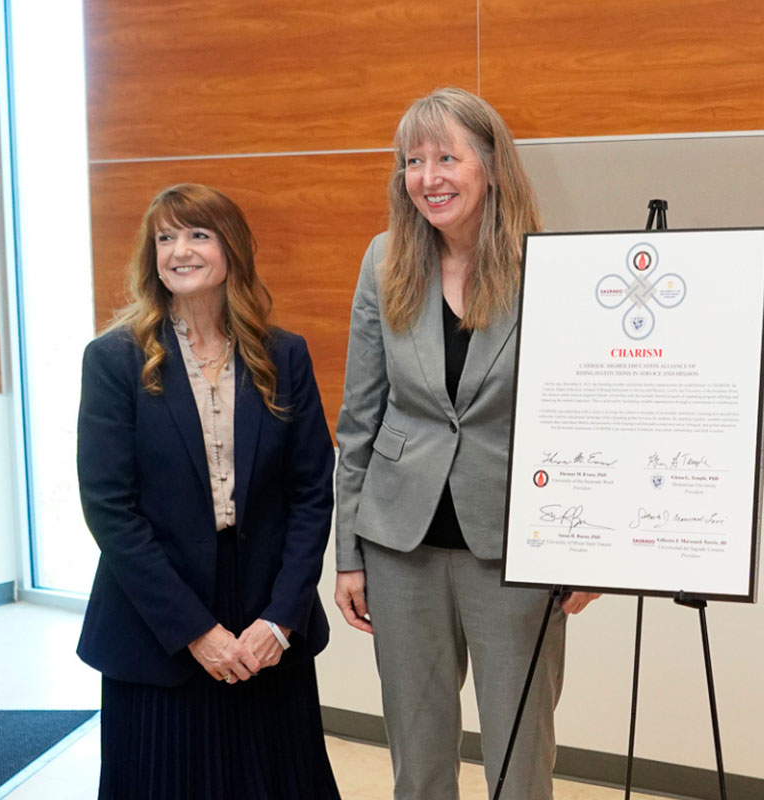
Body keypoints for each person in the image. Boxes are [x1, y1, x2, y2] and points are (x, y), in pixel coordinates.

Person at [331, 87, 599, 800]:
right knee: (417, 760)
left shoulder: (551, 266)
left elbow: (580, 420)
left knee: (520, 757)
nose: (429, 176)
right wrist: (348, 553)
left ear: (490, 164)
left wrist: (587, 549)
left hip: (517, 547)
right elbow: (358, 417)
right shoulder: (384, 260)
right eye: (413, 161)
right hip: (399, 545)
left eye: (446, 156)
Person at [76, 183, 340, 798]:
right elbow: (111, 511)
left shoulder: (284, 355)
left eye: (197, 234)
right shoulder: (114, 360)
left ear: (232, 250)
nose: (179, 251)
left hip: (265, 620)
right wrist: (197, 632)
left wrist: (280, 621)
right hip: (158, 621)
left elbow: (309, 494)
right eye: (165, 238)